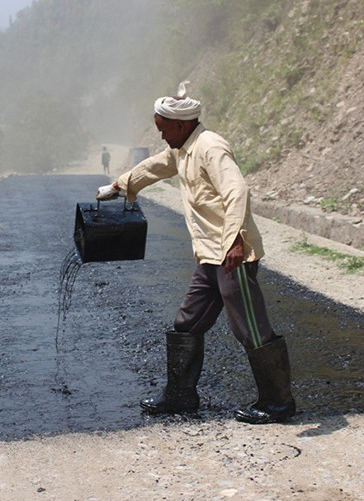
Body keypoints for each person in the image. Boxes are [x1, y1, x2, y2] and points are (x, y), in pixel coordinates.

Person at [96, 90, 296, 424]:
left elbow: (237, 191)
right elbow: (156, 166)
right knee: (187, 322)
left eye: (162, 127)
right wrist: (120, 185)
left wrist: (234, 241)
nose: (160, 134)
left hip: (233, 255)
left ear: (180, 124)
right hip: (208, 254)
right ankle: (181, 395)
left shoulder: (210, 147)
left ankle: (278, 402)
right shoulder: (181, 149)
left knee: (250, 326)